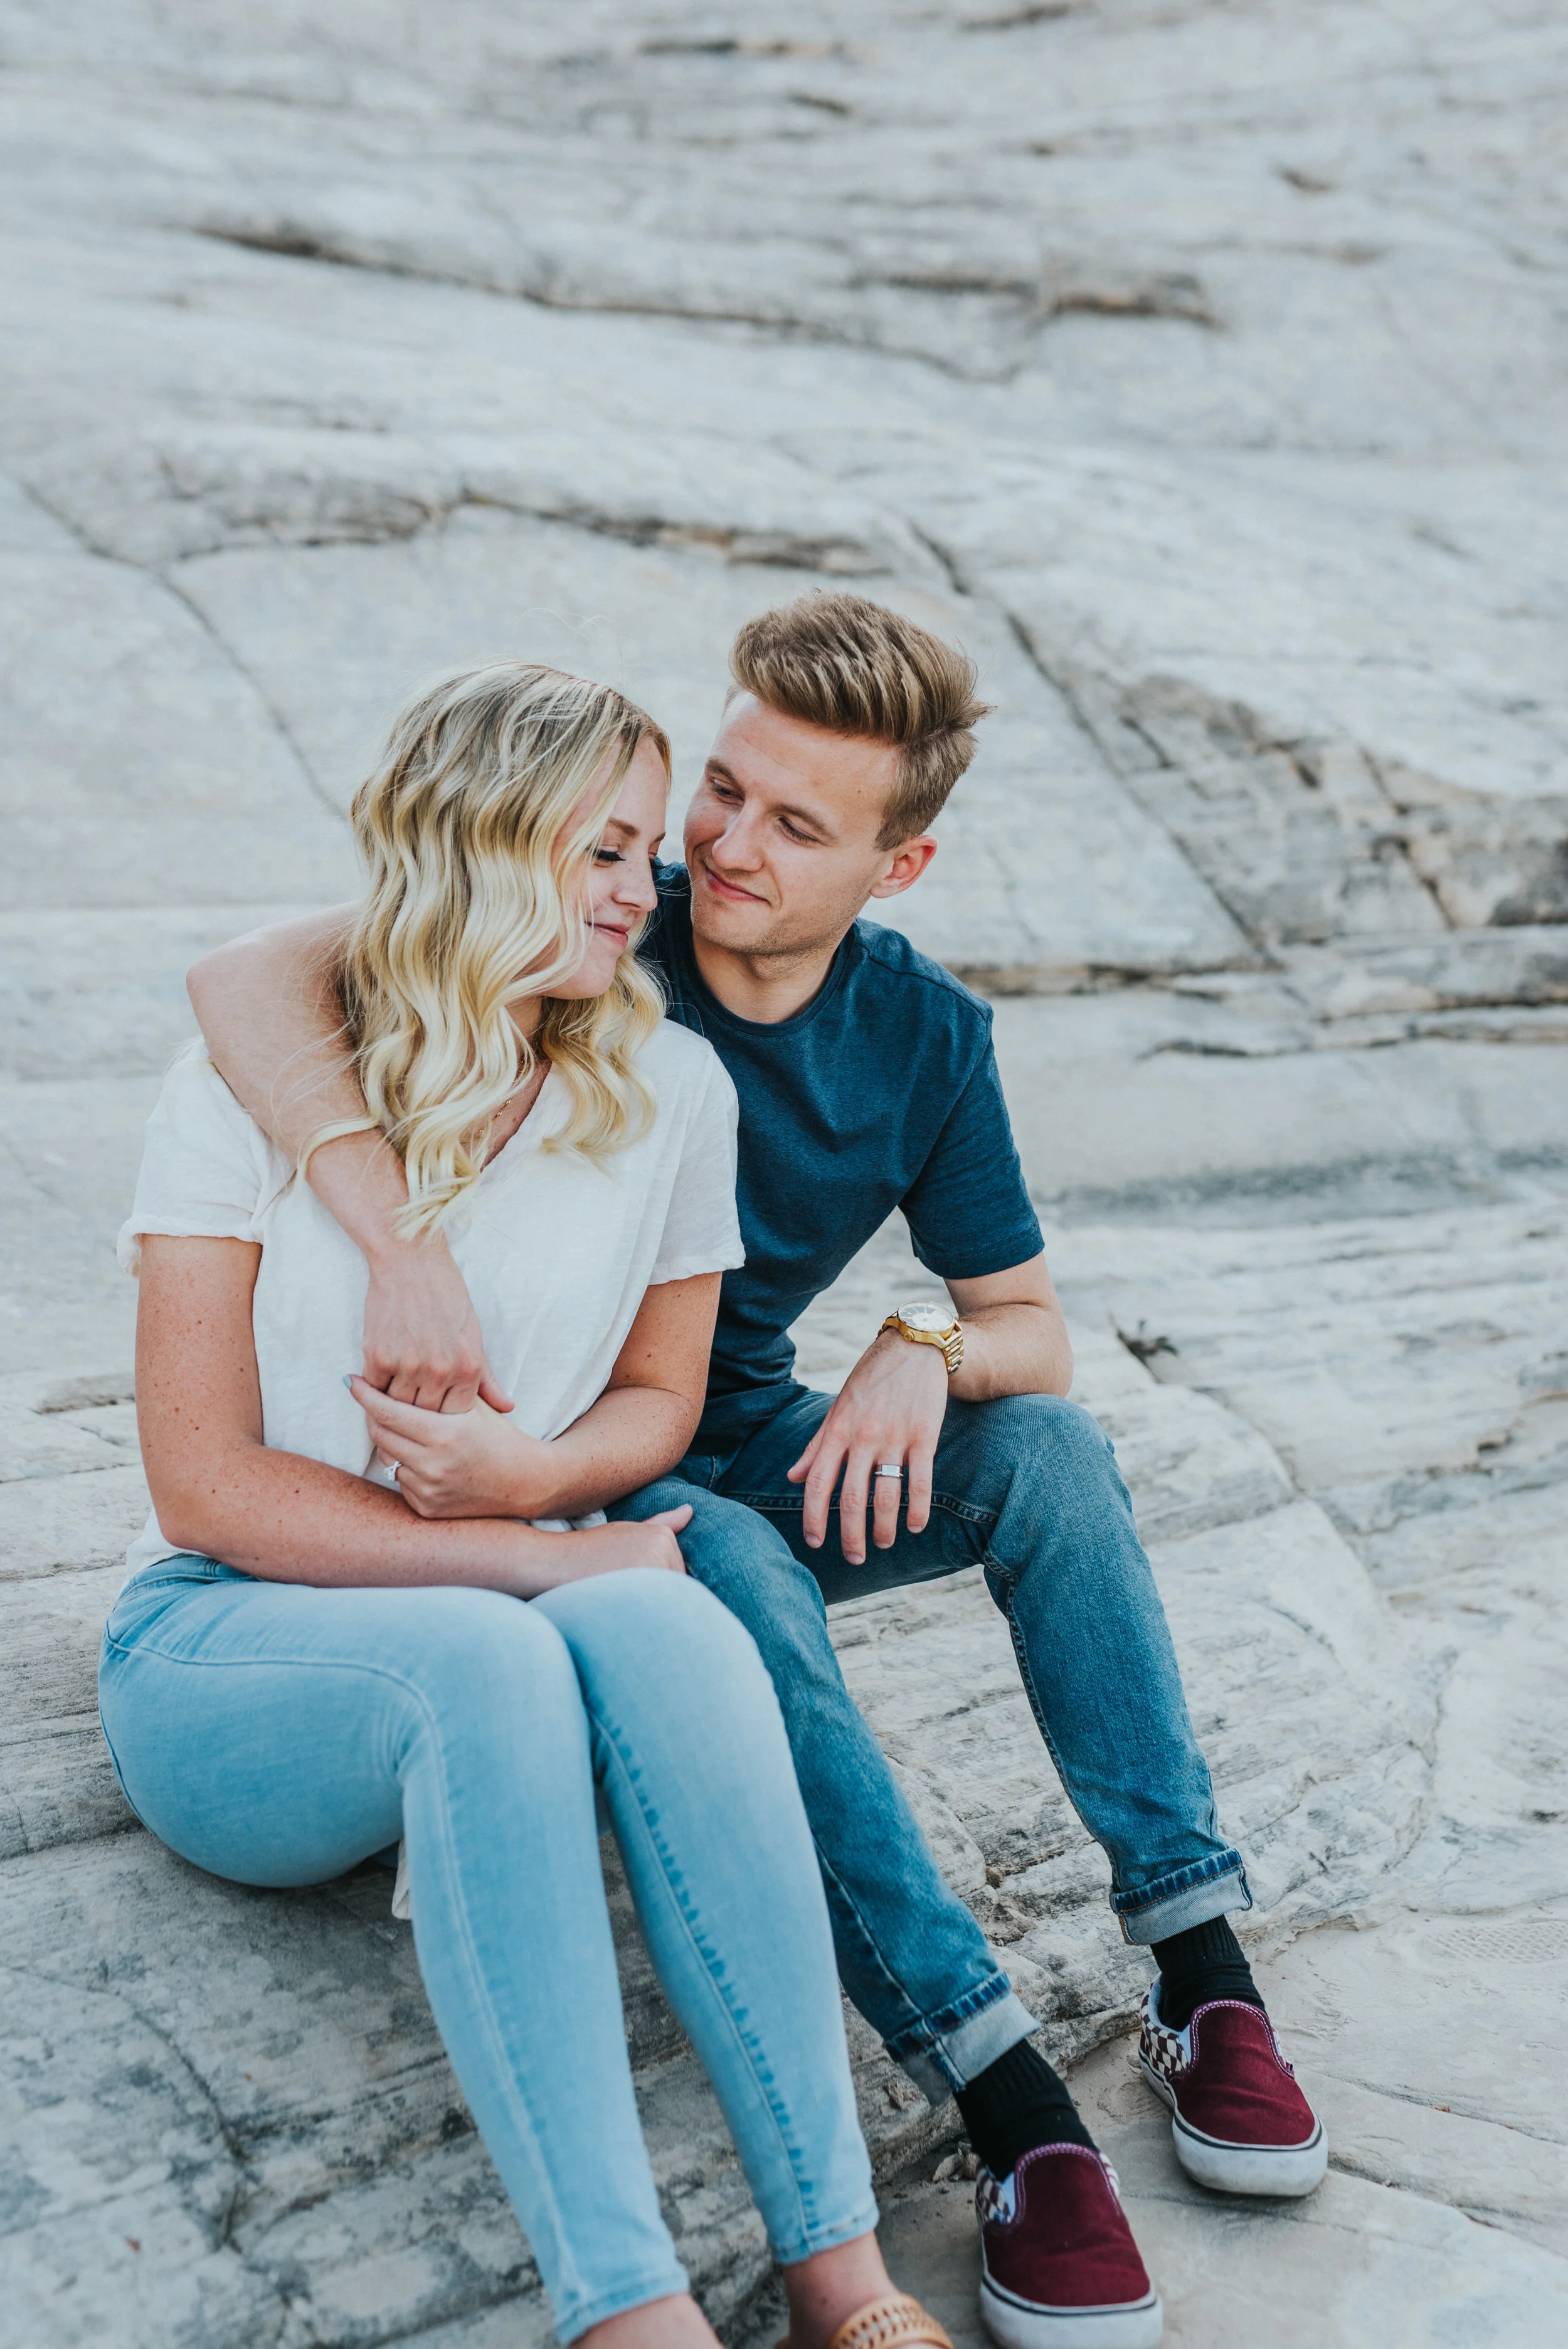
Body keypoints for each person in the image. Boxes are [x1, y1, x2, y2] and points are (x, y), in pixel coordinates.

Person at [189, 597, 1327, 2349]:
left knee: (1046, 1453)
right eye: (721, 789)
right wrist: (380, 1227)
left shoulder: (921, 1035)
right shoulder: (586, 910)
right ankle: (1003, 2098)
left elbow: (1029, 1323)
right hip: (600, 1475)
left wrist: (918, 1347)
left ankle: (1199, 1968)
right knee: (726, 1568)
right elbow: (246, 977)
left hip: (752, 1431)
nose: (719, 845)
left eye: (796, 825)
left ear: (900, 864)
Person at [102, 661, 957, 2349]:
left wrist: (546, 1505)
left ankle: (839, 2280)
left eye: (643, 851)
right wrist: (515, 1553)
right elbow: (199, 1483)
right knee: (506, 1651)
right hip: (225, 1642)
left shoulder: (665, 1098)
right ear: (476, 842)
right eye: (601, 848)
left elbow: (658, 1401)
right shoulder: (243, 1091)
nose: (642, 889)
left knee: (666, 1608)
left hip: (514, 1584)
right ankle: (625, 2314)